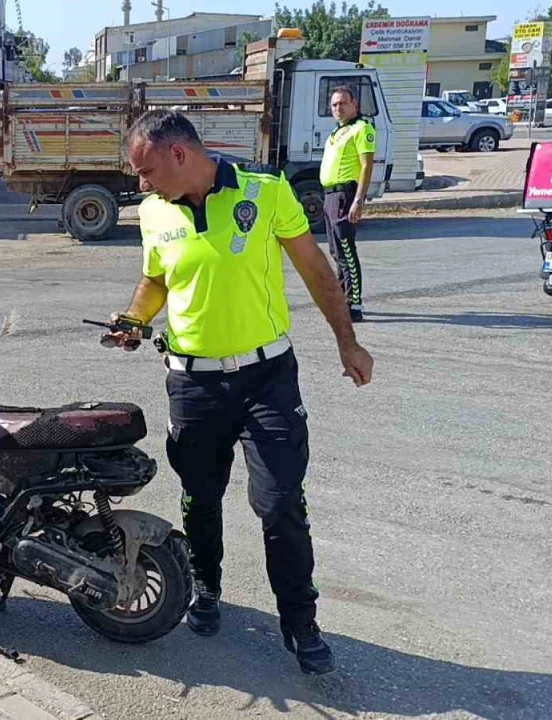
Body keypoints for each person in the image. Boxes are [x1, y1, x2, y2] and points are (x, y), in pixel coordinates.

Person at [107, 110, 374, 676]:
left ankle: (300, 622)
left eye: (147, 170)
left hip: (266, 379)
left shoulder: (265, 192)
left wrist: (347, 342)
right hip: (192, 383)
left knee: (280, 502)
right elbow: (156, 279)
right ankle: (206, 587)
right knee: (200, 497)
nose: (142, 183)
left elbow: (316, 271)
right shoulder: (154, 212)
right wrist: (134, 320)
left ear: (179, 153)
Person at [320, 86, 376, 323]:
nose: (338, 108)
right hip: (330, 196)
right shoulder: (337, 131)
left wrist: (358, 200)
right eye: (334, 104)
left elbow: (366, 165)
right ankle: (343, 299)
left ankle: (354, 304)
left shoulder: (361, 128)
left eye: (343, 103)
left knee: (347, 251)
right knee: (336, 252)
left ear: (354, 104)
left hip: (345, 195)